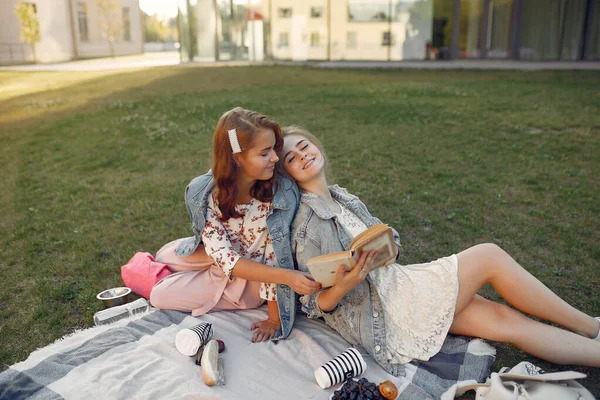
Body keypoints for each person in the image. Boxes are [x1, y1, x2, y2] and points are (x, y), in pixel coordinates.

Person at [277, 125, 600, 373]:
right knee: (488, 255)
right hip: (385, 312)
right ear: (287, 173)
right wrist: (346, 282)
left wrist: (385, 250)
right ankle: (591, 326)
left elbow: (393, 244)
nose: (303, 155)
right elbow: (316, 302)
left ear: (316, 145)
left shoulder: (343, 198)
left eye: (304, 146)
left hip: (401, 284)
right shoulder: (308, 223)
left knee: (506, 320)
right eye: (291, 157)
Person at [149, 109, 321, 343]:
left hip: (250, 278)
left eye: (273, 149)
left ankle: (210, 287)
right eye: (265, 152)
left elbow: (275, 257)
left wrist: (274, 319)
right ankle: (186, 268)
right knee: (164, 254)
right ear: (236, 158)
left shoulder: (279, 195)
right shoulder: (205, 192)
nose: (275, 158)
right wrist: (214, 254)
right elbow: (223, 255)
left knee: (158, 295)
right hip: (219, 258)